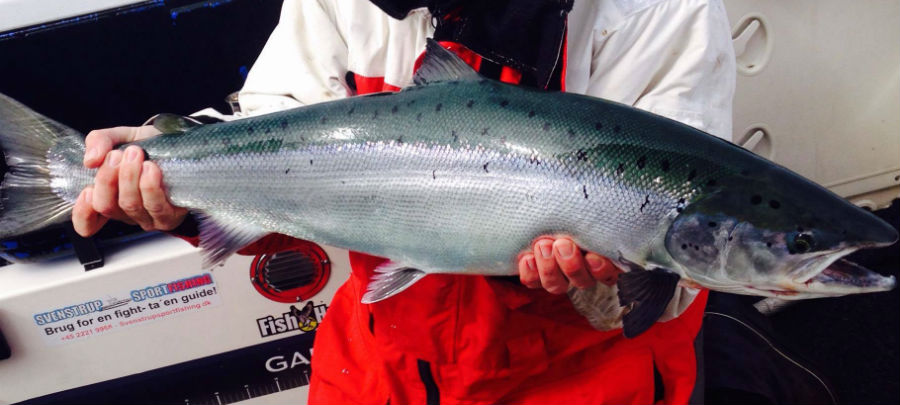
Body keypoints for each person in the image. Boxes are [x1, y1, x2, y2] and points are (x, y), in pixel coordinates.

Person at [72, 0, 735, 403]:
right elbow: (278, 139)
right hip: (375, 371)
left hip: (579, 381)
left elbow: (676, 272)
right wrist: (179, 184)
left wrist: (594, 285)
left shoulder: (664, 13)